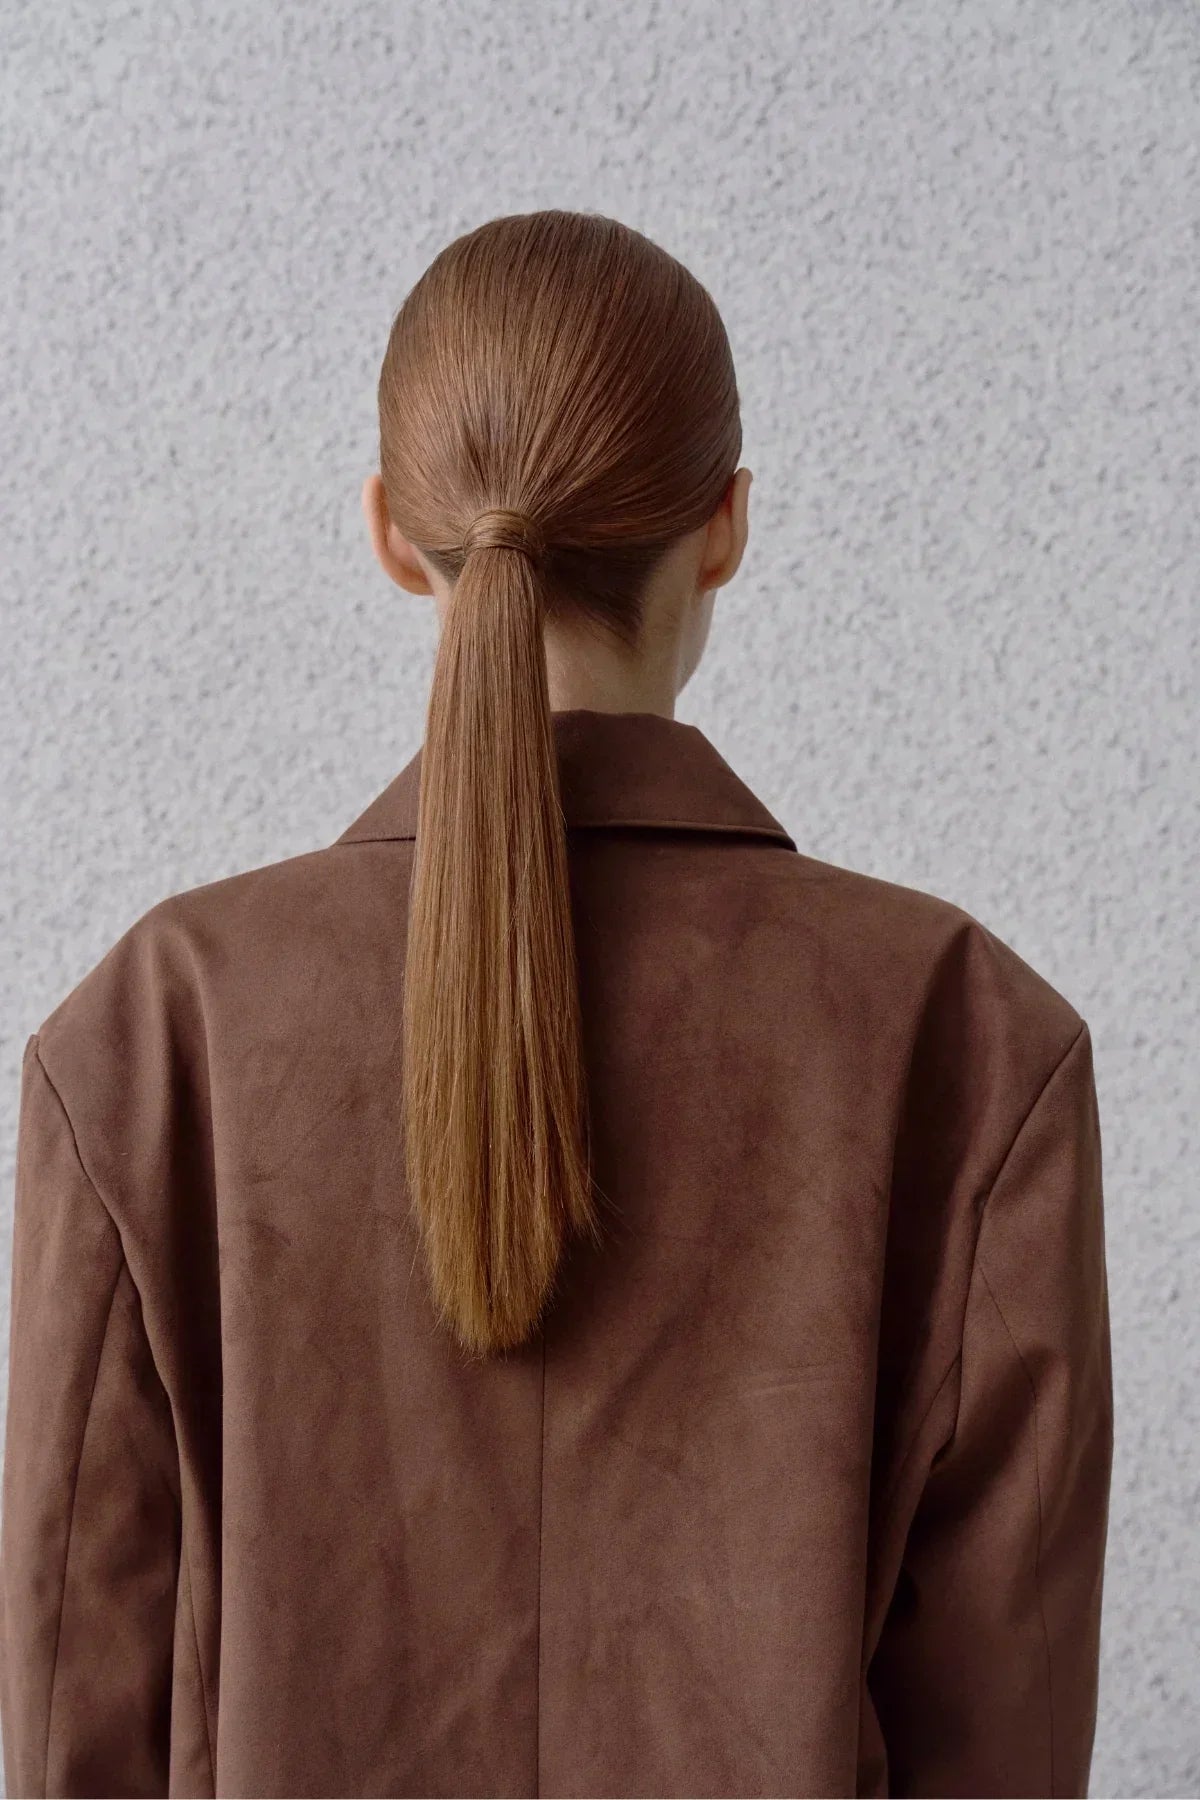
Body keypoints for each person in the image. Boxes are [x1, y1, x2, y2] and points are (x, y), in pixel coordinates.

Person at [0, 209, 1112, 1798]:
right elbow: (1000, 1740)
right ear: (724, 525)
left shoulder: (154, 1034)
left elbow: (71, 1707)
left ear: (392, 533)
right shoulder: (968, 1036)